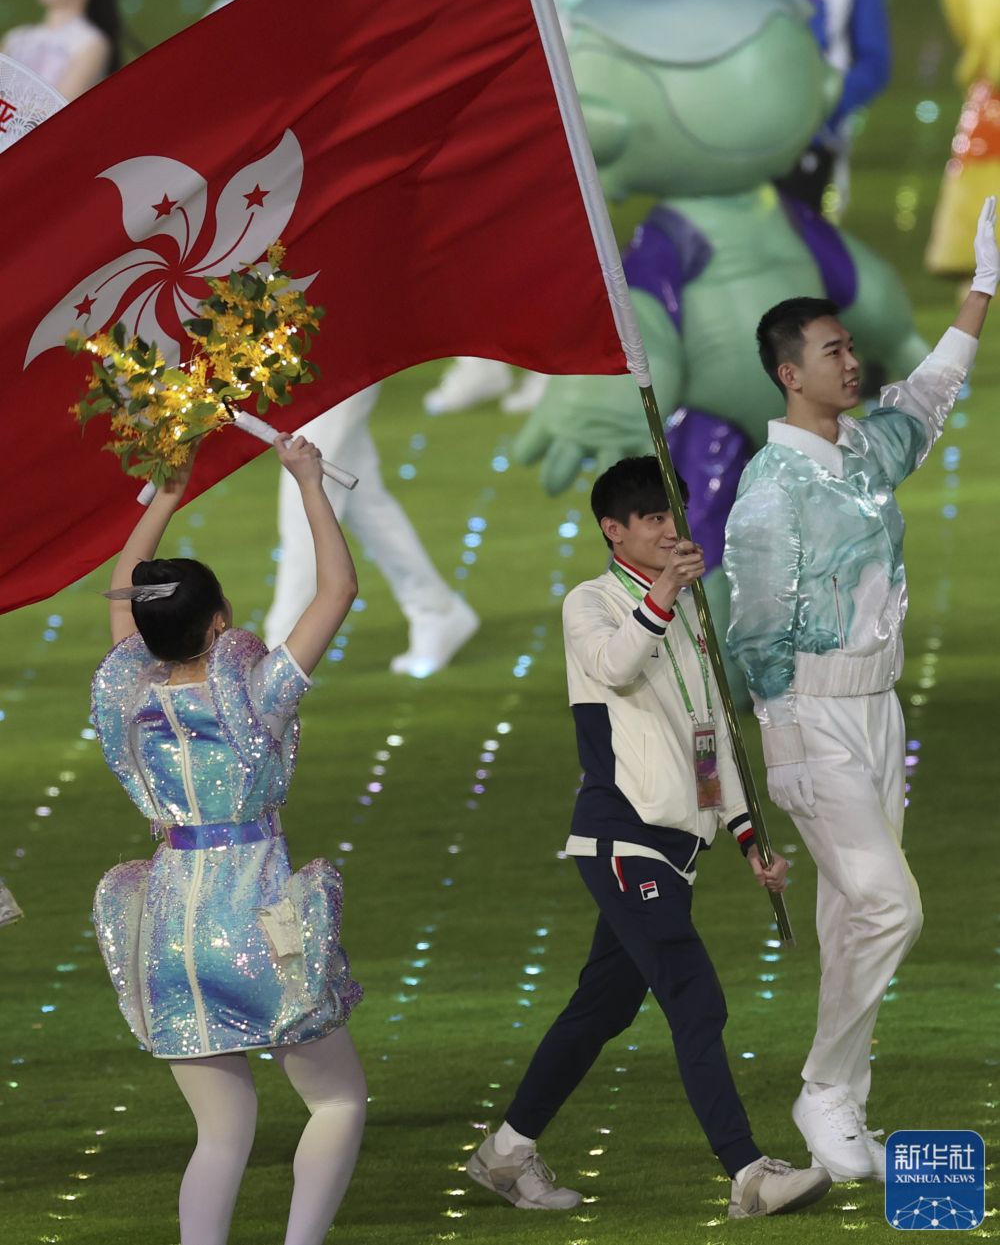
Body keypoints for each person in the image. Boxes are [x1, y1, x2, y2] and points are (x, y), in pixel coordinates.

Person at [466, 456, 831, 1220]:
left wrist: (745, 834)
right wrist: (665, 594)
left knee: (601, 1009)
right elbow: (615, 665)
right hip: (622, 837)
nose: (672, 529)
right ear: (614, 529)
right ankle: (749, 1173)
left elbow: (709, 737)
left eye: (675, 514)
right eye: (654, 518)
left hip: (675, 845)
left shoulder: (689, 612)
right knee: (695, 998)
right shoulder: (592, 604)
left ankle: (504, 1151)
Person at [722, 198, 998, 1183]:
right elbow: (752, 623)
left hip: (877, 710)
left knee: (852, 916)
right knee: (888, 906)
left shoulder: (864, 448)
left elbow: (924, 399)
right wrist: (782, 733)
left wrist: (980, 290)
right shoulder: (770, 491)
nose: (853, 360)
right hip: (811, 717)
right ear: (788, 372)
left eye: (851, 347)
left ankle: (841, 1109)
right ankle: (822, 1086)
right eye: (833, 351)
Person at [91, 434, 367, 1245]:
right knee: (337, 1099)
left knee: (222, 1131)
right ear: (221, 620)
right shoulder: (254, 692)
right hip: (255, 923)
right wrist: (309, 480)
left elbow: (119, 593)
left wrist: (164, 493)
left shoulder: (128, 687)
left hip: (168, 925)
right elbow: (338, 587)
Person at [350, 0, 606, 418]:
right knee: (471, 239)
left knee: (538, 244)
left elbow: (589, 30)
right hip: (482, 110)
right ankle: (483, 359)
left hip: (539, 113)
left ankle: (551, 368)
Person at [263, 389, 479, 677]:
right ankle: (435, 608)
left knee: (307, 498)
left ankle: (278, 659)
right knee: (360, 498)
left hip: (331, 355)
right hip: (310, 358)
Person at [729, 0, 891, 215]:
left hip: (812, 138)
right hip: (750, 127)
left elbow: (875, 62)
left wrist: (823, 102)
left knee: (799, 240)